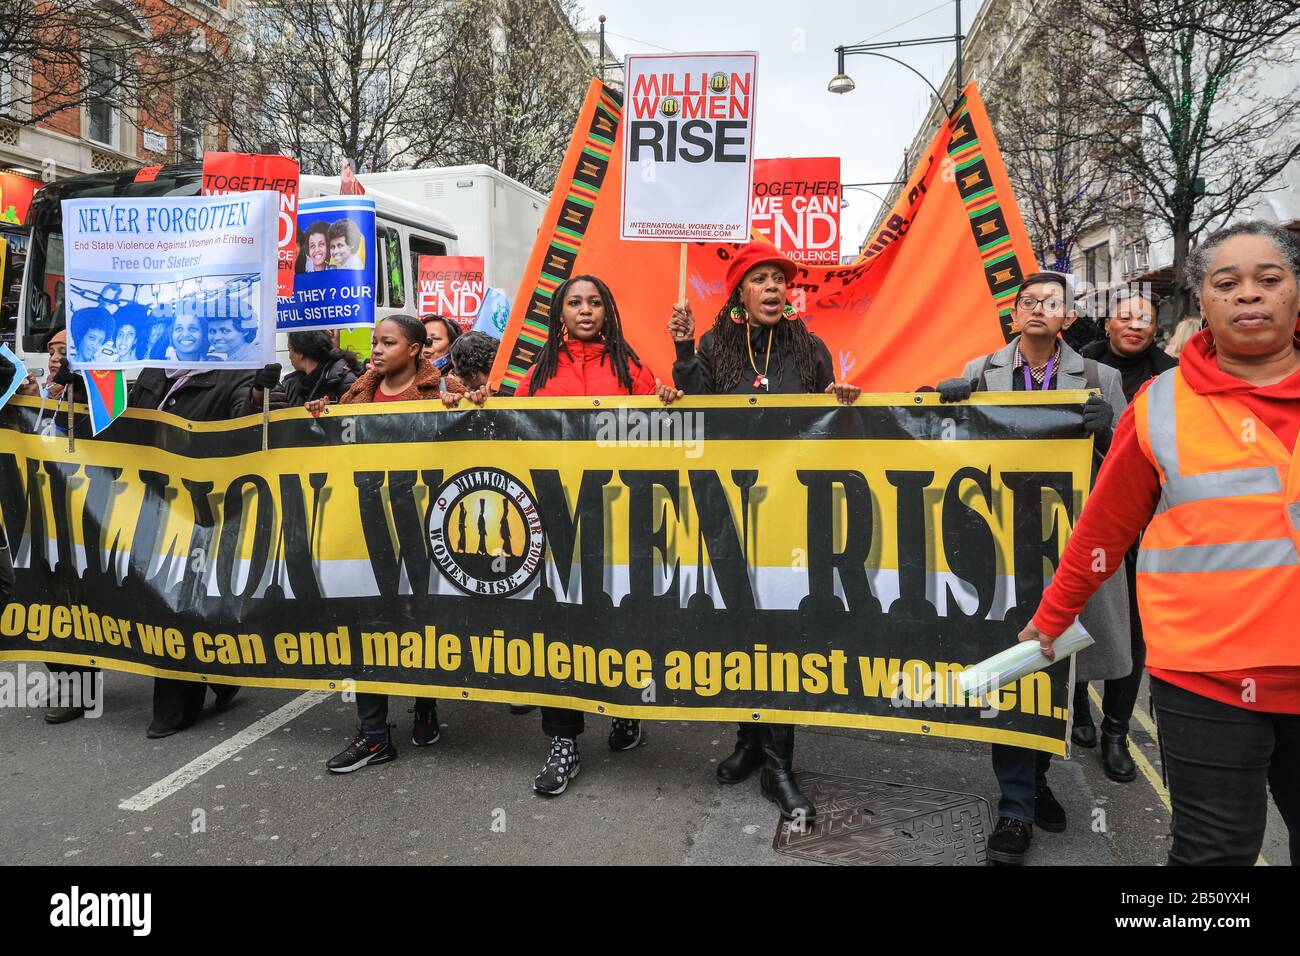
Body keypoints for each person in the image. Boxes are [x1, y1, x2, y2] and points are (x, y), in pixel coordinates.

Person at [1019, 222, 1300, 866]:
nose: (1248, 296)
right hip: (1206, 679)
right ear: (1203, 301)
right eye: (1226, 284)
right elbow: (1103, 530)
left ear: (1294, 291)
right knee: (1210, 862)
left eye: (1269, 279)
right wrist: (1051, 620)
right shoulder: (1161, 405)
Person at [937, 270, 1131, 865]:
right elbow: (939, 446)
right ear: (1014, 314)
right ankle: (1015, 806)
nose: (1039, 308)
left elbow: (1133, 468)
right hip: (997, 552)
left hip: (1070, 552)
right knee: (1011, 668)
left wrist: (1111, 433)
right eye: (1028, 301)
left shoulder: (1102, 379)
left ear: (1069, 317)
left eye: (1052, 301)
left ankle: (1038, 774)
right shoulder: (978, 372)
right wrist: (933, 402)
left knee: (1053, 673)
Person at [667, 242, 861, 823]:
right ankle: (750, 742)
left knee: (783, 627)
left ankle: (779, 763)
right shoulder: (714, 344)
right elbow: (695, 402)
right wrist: (681, 348)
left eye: (781, 279)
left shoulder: (810, 347)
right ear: (740, 293)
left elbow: (835, 417)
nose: (774, 288)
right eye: (761, 280)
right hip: (727, 506)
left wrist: (843, 399)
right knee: (740, 621)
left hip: (790, 510)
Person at [462, 274, 671, 795]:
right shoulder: (540, 372)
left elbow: (663, 440)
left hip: (621, 516)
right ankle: (563, 741)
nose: (585, 310)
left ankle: (625, 710)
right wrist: (475, 404)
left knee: (620, 619)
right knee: (560, 628)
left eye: (595, 302)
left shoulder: (633, 368)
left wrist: (667, 399)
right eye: (575, 302)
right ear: (560, 312)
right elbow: (515, 434)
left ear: (608, 310)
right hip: (556, 517)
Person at [318, 314, 443, 773]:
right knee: (365, 623)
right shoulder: (356, 393)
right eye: (374, 342)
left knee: (418, 619)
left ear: (414, 349)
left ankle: (426, 702)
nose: (376, 350)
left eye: (388, 342)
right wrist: (321, 420)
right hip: (361, 526)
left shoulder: (436, 395)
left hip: (416, 525)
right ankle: (373, 736)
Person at [1073, 289, 1178, 781]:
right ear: (1108, 324)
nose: (1135, 325)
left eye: (1145, 318)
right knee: (1077, 615)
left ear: (1155, 327)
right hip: (1088, 520)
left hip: (1150, 525)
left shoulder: (1176, 376)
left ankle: (1116, 730)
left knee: (1132, 631)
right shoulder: (1078, 367)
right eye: (1125, 315)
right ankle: (1079, 711)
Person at [128, 360, 260, 737]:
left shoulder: (234, 374)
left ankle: (174, 708)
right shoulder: (153, 374)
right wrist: (84, 391)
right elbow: (124, 424)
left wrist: (256, 395)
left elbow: (245, 426)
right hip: (149, 499)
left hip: (202, 508)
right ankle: (221, 674)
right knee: (154, 593)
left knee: (180, 597)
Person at [261, 330, 362, 410]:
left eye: (290, 350)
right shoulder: (290, 384)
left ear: (301, 353)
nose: (289, 356)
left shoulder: (344, 380)